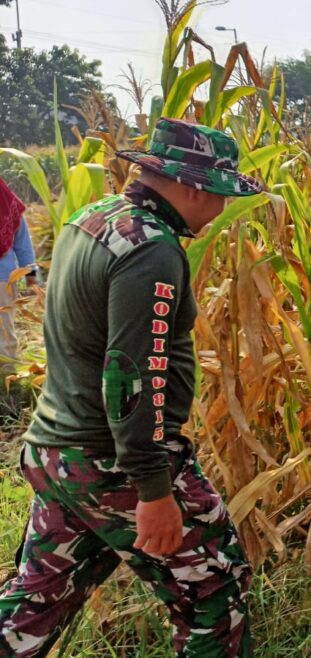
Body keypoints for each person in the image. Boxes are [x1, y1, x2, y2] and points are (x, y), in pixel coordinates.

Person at [0, 118, 264, 658]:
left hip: (57, 450)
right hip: (111, 461)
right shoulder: (151, 250)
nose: (221, 211)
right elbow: (131, 376)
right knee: (214, 588)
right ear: (192, 187)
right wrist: (153, 490)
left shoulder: (90, 220)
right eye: (219, 195)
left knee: (34, 603)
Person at [0, 179, 38, 374]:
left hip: (3, 280)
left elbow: (22, 242)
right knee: (4, 332)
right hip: (4, 279)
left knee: (4, 331)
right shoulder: (8, 204)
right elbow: (24, 243)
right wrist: (30, 273)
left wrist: (30, 272)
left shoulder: (7, 205)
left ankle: (7, 379)